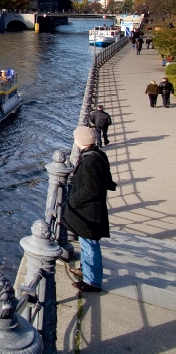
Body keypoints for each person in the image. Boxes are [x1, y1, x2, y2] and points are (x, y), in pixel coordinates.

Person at [63, 125, 117, 292]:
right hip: (91, 209)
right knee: (87, 243)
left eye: (76, 138)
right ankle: (86, 271)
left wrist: (72, 201)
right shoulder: (97, 154)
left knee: (90, 244)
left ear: (81, 141)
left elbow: (91, 188)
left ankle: (92, 282)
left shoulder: (90, 160)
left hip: (89, 211)